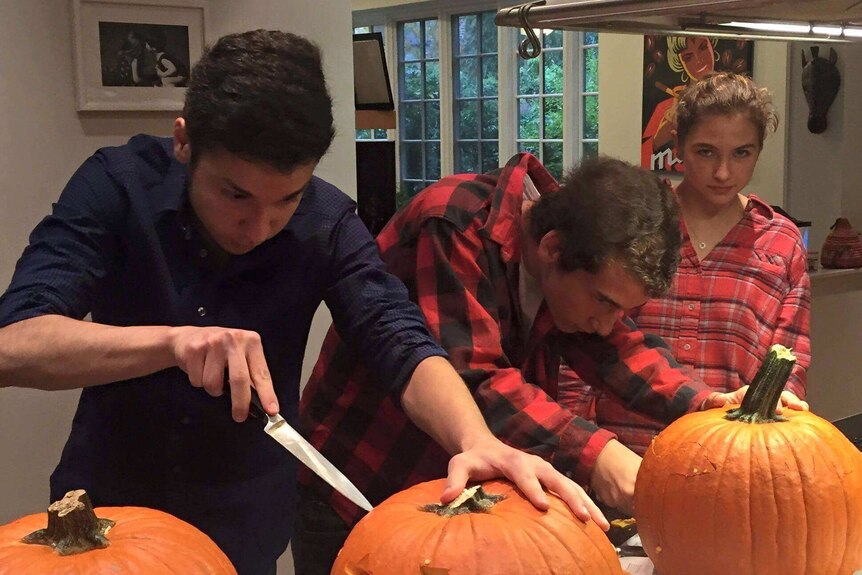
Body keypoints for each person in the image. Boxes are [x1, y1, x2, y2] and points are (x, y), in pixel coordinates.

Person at [0, 30, 603, 575]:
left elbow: (399, 340)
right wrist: (170, 342)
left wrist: (478, 441)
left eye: (284, 199)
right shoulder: (115, 184)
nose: (255, 224)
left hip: (245, 525)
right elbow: (14, 343)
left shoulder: (327, 220)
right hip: (99, 526)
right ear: (185, 142)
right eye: (234, 193)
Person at [292, 153, 764, 574]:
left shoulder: (578, 259)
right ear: (553, 249)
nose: (607, 323)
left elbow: (618, 349)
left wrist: (712, 405)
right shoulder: (452, 222)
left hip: (462, 506)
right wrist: (599, 455)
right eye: (603, 302)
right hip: (356, 488)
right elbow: (476, 377)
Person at [563, 72, 811, 455]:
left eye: (742, 153)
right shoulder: (636, 222)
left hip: (729, 463)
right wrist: (578, 450)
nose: (723, 172)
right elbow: (580, 340)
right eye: (706, 151)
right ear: (678, 145)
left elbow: (789, 366)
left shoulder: (780, 243)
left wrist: (774, 447)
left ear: (759, 150)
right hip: (621, 456)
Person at [642, 36, 718, 172]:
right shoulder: (666, 107)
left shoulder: (735, 105)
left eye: (703, 48)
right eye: (688, 57)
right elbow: (642, 159)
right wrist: (661, 135)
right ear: (679, 63)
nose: (699, 60)